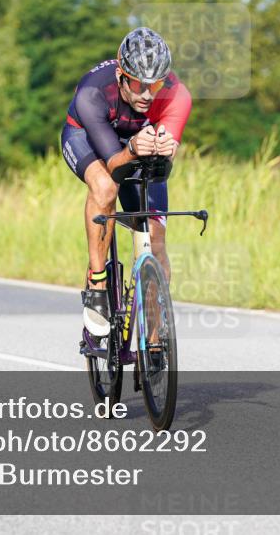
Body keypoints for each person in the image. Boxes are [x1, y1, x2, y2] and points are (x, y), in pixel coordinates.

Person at [61, 27, 192, 337]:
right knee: (106, 187)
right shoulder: (91, 93)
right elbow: (115, 164)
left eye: (156, 84)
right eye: (139, 84)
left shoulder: (177, 95)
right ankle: (97, 282)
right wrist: (133, 148)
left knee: (156, 238)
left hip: (137, 142)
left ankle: (156, 340)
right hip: (88, 137)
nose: (148, 94)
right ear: (121, 75)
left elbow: (162, 168)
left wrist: (164, 151)